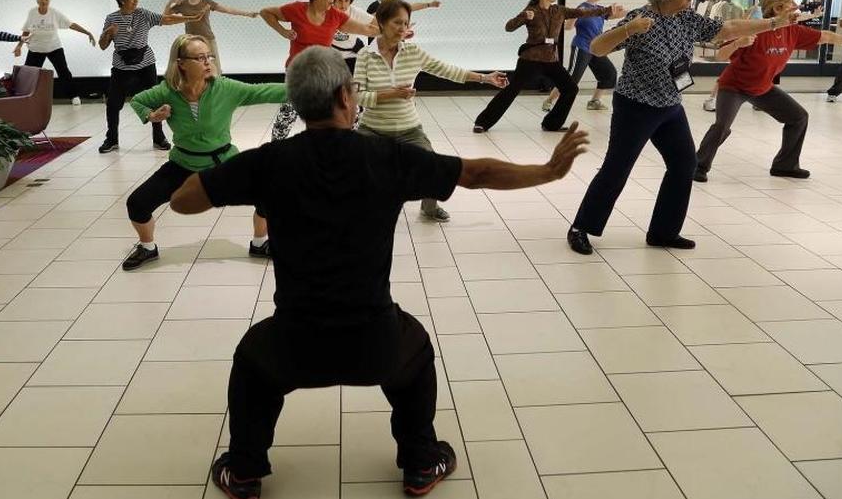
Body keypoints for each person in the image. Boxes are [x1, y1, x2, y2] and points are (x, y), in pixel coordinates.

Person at [167, 45, 589, 499]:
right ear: (346, 98)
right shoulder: (387, 157)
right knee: (417, 349)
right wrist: (547, 171)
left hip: (295, 343)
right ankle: (421, 464)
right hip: (374, 342)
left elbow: (182, 201)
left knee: (251, 361)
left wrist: (231, 174)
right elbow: (477, 173)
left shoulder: (267, 162)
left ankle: (245, 472)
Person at [566, 0, 802, 257]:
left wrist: (774, 23)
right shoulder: (641, 19)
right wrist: (628, 30)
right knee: (617, 167)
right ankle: (581, 227)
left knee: (684, 164)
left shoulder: (688, 19)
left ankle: (664, 231)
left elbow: (727, 27)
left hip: (670, 106)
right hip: (636, 105)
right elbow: (597, 47)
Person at [120, 34, 287, 269]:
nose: (208, 61)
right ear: (181, 63)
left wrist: (309, 87)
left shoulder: (225, 88)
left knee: (271, 194)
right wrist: (151, 115)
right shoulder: (168, 90)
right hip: (183, 164)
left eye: (210, 56)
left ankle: (260, 243)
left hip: (225, 162)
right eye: (200, 57)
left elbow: (263, 91)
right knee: (137, 203)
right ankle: (147, 247)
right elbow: (137, 100)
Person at [694, 0, 842, 183]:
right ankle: (697, 166)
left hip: (762, 88)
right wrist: (737, 43)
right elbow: (720, 56)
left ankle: (785, 165)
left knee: (798, 117)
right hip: (735, 87)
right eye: (791, 3)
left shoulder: (793, 31)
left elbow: (825, 36)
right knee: (722, 126)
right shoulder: (755, 29)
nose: (796, 6)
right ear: (778, 8)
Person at [354, 0, 508, 222]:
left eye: (406, 23)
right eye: (397, 23)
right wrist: (391, 94)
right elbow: (357, 96)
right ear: (381, 22)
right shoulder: (365, 56)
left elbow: (447, 70)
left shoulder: (413, 52)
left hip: (408, 128)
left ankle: (429, 207)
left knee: (432, 165)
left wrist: (485, 78)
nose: (403, 28)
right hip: (373, 129)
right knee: (354, 165)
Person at [473, 0, 622, 133]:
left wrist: (607, 10)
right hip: (531, 59)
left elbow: (583, 12)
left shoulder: (559, 10)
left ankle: (552, 124)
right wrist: (523, 16)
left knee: (570, 89)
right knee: (511, 90)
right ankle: (482, 122)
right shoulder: (531, 11)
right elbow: (508, 27)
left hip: (551, 60)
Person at [260, 0, 376, 141]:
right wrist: (283, 31)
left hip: (323, 73)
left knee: (354, 108)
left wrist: (395, 31)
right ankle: (274, 151)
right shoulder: (297, 9)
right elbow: (266, 13)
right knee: (288, 115)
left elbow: (367, 30)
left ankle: (345, 145)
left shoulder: (335, 15)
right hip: (298, 73)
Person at [98, 0, 198, 154]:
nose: (136, 0)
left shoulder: (143, 14)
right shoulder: (111, 18)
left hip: (145, 64)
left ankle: (159, 138)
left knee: (155, 100)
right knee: (113, 104)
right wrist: (108, 34)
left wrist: (190, 18)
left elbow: (165, 19)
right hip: (121, 67)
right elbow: (102, 45)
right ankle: (111, 139)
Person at [543, 0, 619, 113]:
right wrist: (573, 17)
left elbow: (612, 16)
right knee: (572, 78)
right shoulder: (582, 8)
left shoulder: (600, 9)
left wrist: (626, 13)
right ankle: (549, 101)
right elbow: (567, 27)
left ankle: (594, 101)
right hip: (582, 47)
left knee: (609, 74)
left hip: (596, 48)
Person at [13, 0, 96, 106]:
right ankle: (25, 97)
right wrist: (19, 46)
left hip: (54, 47)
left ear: (49, 1)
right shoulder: (32, 13)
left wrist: (87, 33)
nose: (44, 1)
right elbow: (26, 30)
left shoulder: (54, 13)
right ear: (38, 1)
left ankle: (74, 96)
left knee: (64, 72)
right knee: (29, 73)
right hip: (35, 49)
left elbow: (71, 24)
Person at [165, 0, 259, 72]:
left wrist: (248, 14)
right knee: (195, 69)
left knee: (216, 68)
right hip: (192, 42)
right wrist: (170, 2)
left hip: (208, 39)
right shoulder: (182, 4)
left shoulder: (206, 2)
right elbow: (165, 16)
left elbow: (227, 10)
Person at [332, 0, 374, 73]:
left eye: (346, 0)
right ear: (333, 0)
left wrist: (396, 30)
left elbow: (377, 23)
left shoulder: (355, 12)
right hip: (332, 56)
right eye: (339, 0)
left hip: (351, 54)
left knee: (355, 83)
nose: (343, 5)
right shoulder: (326, 11)